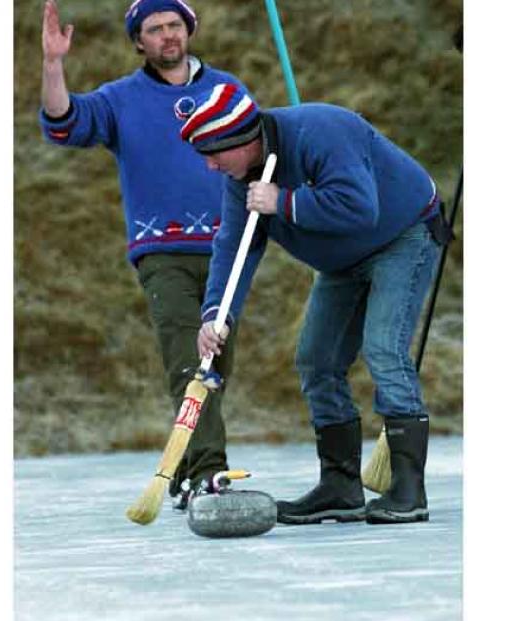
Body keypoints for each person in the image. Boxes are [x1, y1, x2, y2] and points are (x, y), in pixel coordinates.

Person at [181, 83, 453, 525]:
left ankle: (408, 488)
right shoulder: (242, 180)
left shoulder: (320, 131)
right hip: (341, 260)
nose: (210, 166)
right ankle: (340, 485)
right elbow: (235, 246)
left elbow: (359, 207)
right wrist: (217, 314)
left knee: (383, 346)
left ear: (240, 140)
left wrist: (283, 202)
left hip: (403, 236)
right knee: (316, 359)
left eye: (213, 154)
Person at [39, 0, 250, 508]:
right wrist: (53, 65)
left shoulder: (227, 90)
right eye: (154, 29)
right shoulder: (121, 99)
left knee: (217, 366)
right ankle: (208, 473)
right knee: (189, 362)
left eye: (174, 25)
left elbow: (259, 148)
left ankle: (181, 469)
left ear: (188, 29)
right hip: (163, 252)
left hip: (230, 249)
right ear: (139, 41)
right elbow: (64, 123)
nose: (166, 35)